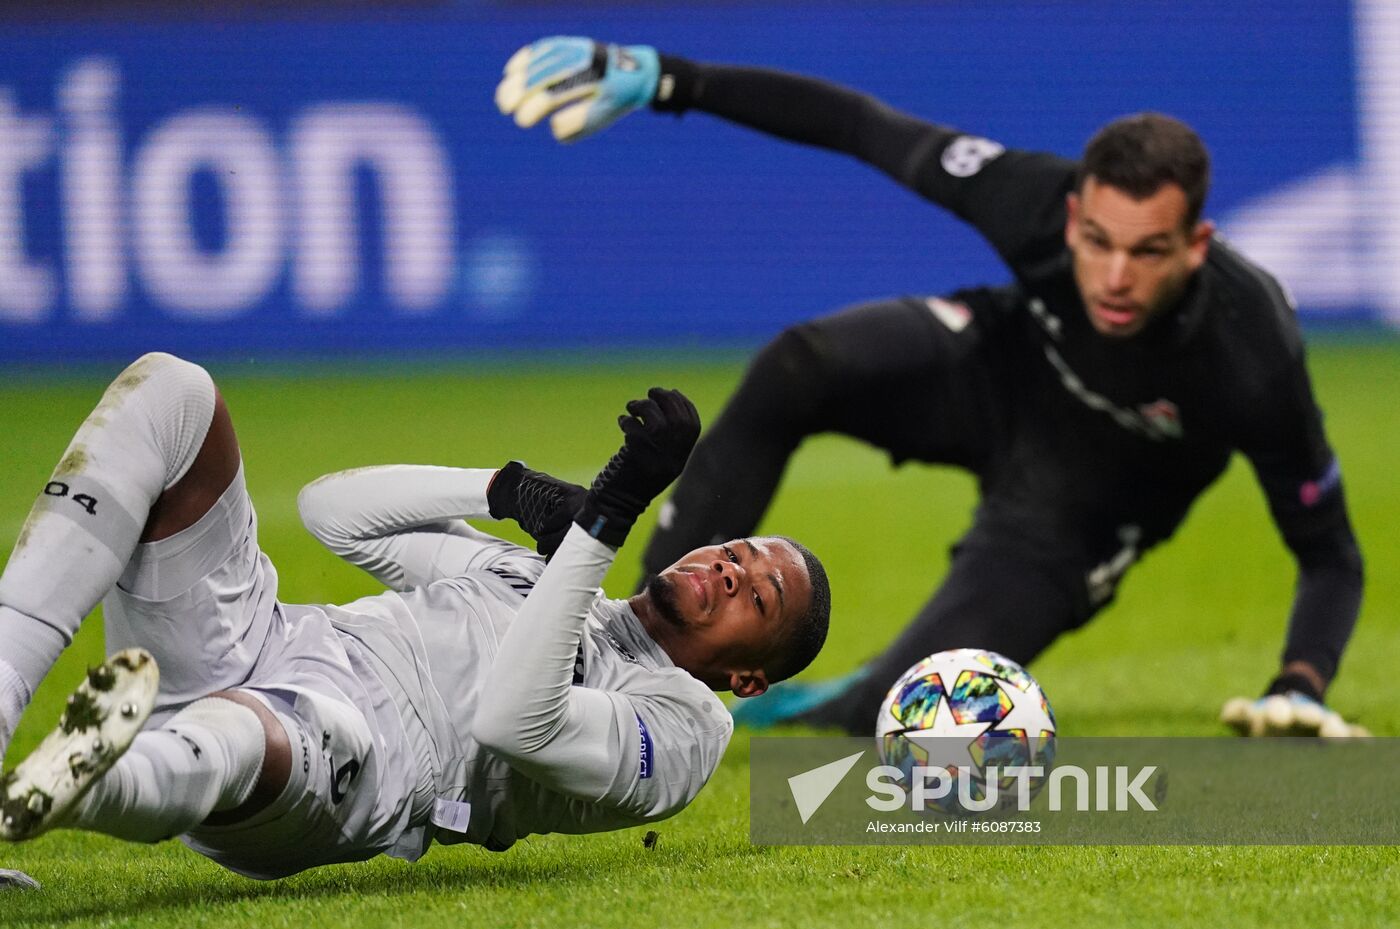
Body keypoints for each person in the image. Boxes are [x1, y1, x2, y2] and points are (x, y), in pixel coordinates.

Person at [495, 38, 1367, 738]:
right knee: (802, 364)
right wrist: (670, 79)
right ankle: (649, 641)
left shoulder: (1253, 352)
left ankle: (851, 693)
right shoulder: (1030, 198)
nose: (1112, 276)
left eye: (1147, 252)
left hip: (1091, 502)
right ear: (1073, 213)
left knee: (894, 711)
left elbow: (1329, 551)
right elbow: (860, 125)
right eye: (1096, 240)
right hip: (1002, 368)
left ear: (1197, 244)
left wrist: (1300, 683)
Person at [0, 352, 831, 880]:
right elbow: (334, 510)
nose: (728, 569)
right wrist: (505, 491)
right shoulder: (540, 574)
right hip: (264, 636)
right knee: (176, 393)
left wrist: (604, 521)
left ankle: (87, 782)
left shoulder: (685, 730)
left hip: (363, 761)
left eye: (757, 595)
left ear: (746, 675)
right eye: (739, 552)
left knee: (255, 730)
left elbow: (514, 719)